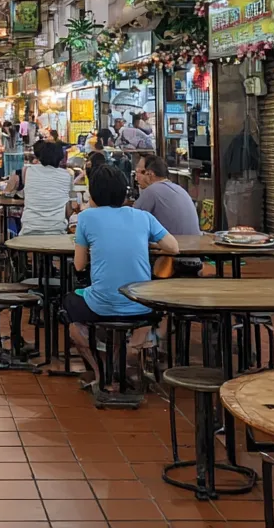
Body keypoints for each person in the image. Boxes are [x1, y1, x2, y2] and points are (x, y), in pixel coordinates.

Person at [68, 163, 179, 392]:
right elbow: (173, 247)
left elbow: (79, 265)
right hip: (141, 304)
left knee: (70, 309)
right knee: (126, 312)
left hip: (102, 304)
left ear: (94, 194)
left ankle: (101, 373)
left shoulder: (87, 218)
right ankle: (122, 360)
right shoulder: (143, 217)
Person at [15, 140, 75, 234]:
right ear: (60, 158)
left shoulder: (27, 171)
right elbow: (68, 210)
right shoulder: (67, 175)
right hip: (57, 231)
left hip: (29, 230)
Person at [134, 155, 201, 236]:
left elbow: (133, 221)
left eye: (139, 172)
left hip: (176, 247)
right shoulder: (179, 189)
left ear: (150, 174)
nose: (136, 178)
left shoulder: (151, 191)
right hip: (194, 244)